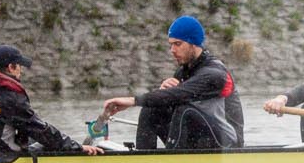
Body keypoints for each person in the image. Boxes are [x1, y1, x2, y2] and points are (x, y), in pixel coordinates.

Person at [0, 0, 100, 156]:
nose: (21, 71)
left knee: (31, 140)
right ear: (11, 67)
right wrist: (77, 148)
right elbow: (41, 130)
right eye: (19, 66)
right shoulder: (12, 98)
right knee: (45, 140)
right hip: (0, 156)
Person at [99, 15, 246, 150]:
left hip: (228, 144)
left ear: (193, 44)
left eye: (178, 44)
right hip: (200, 136)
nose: (172, 50)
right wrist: (163, 93)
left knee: (184, 110)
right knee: (151, 109)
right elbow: (173, 97)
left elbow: (180, 95)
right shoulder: (183, 71)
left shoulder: (215, 73)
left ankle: (170, 161)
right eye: (171, 44)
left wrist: (132, 101)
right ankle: (144, 158)